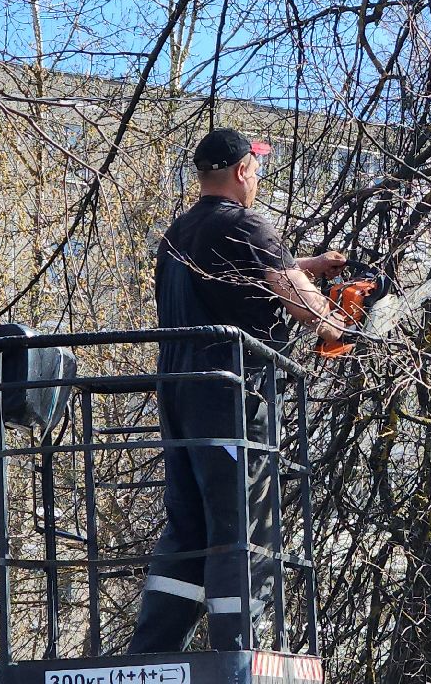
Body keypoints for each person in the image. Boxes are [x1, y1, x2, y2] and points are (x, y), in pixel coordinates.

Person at [126, 128, 347, 654]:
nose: (258, 176)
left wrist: (306, 267)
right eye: (257, 167)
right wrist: (339, 321)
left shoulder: (177, 235)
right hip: (232, 399)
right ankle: (241, 651)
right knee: (242, 525)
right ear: (243, 170)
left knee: (188, 527)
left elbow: (229, 279)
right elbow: (311, 313)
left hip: (179, 397)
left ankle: (151, 650)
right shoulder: (246, 226)